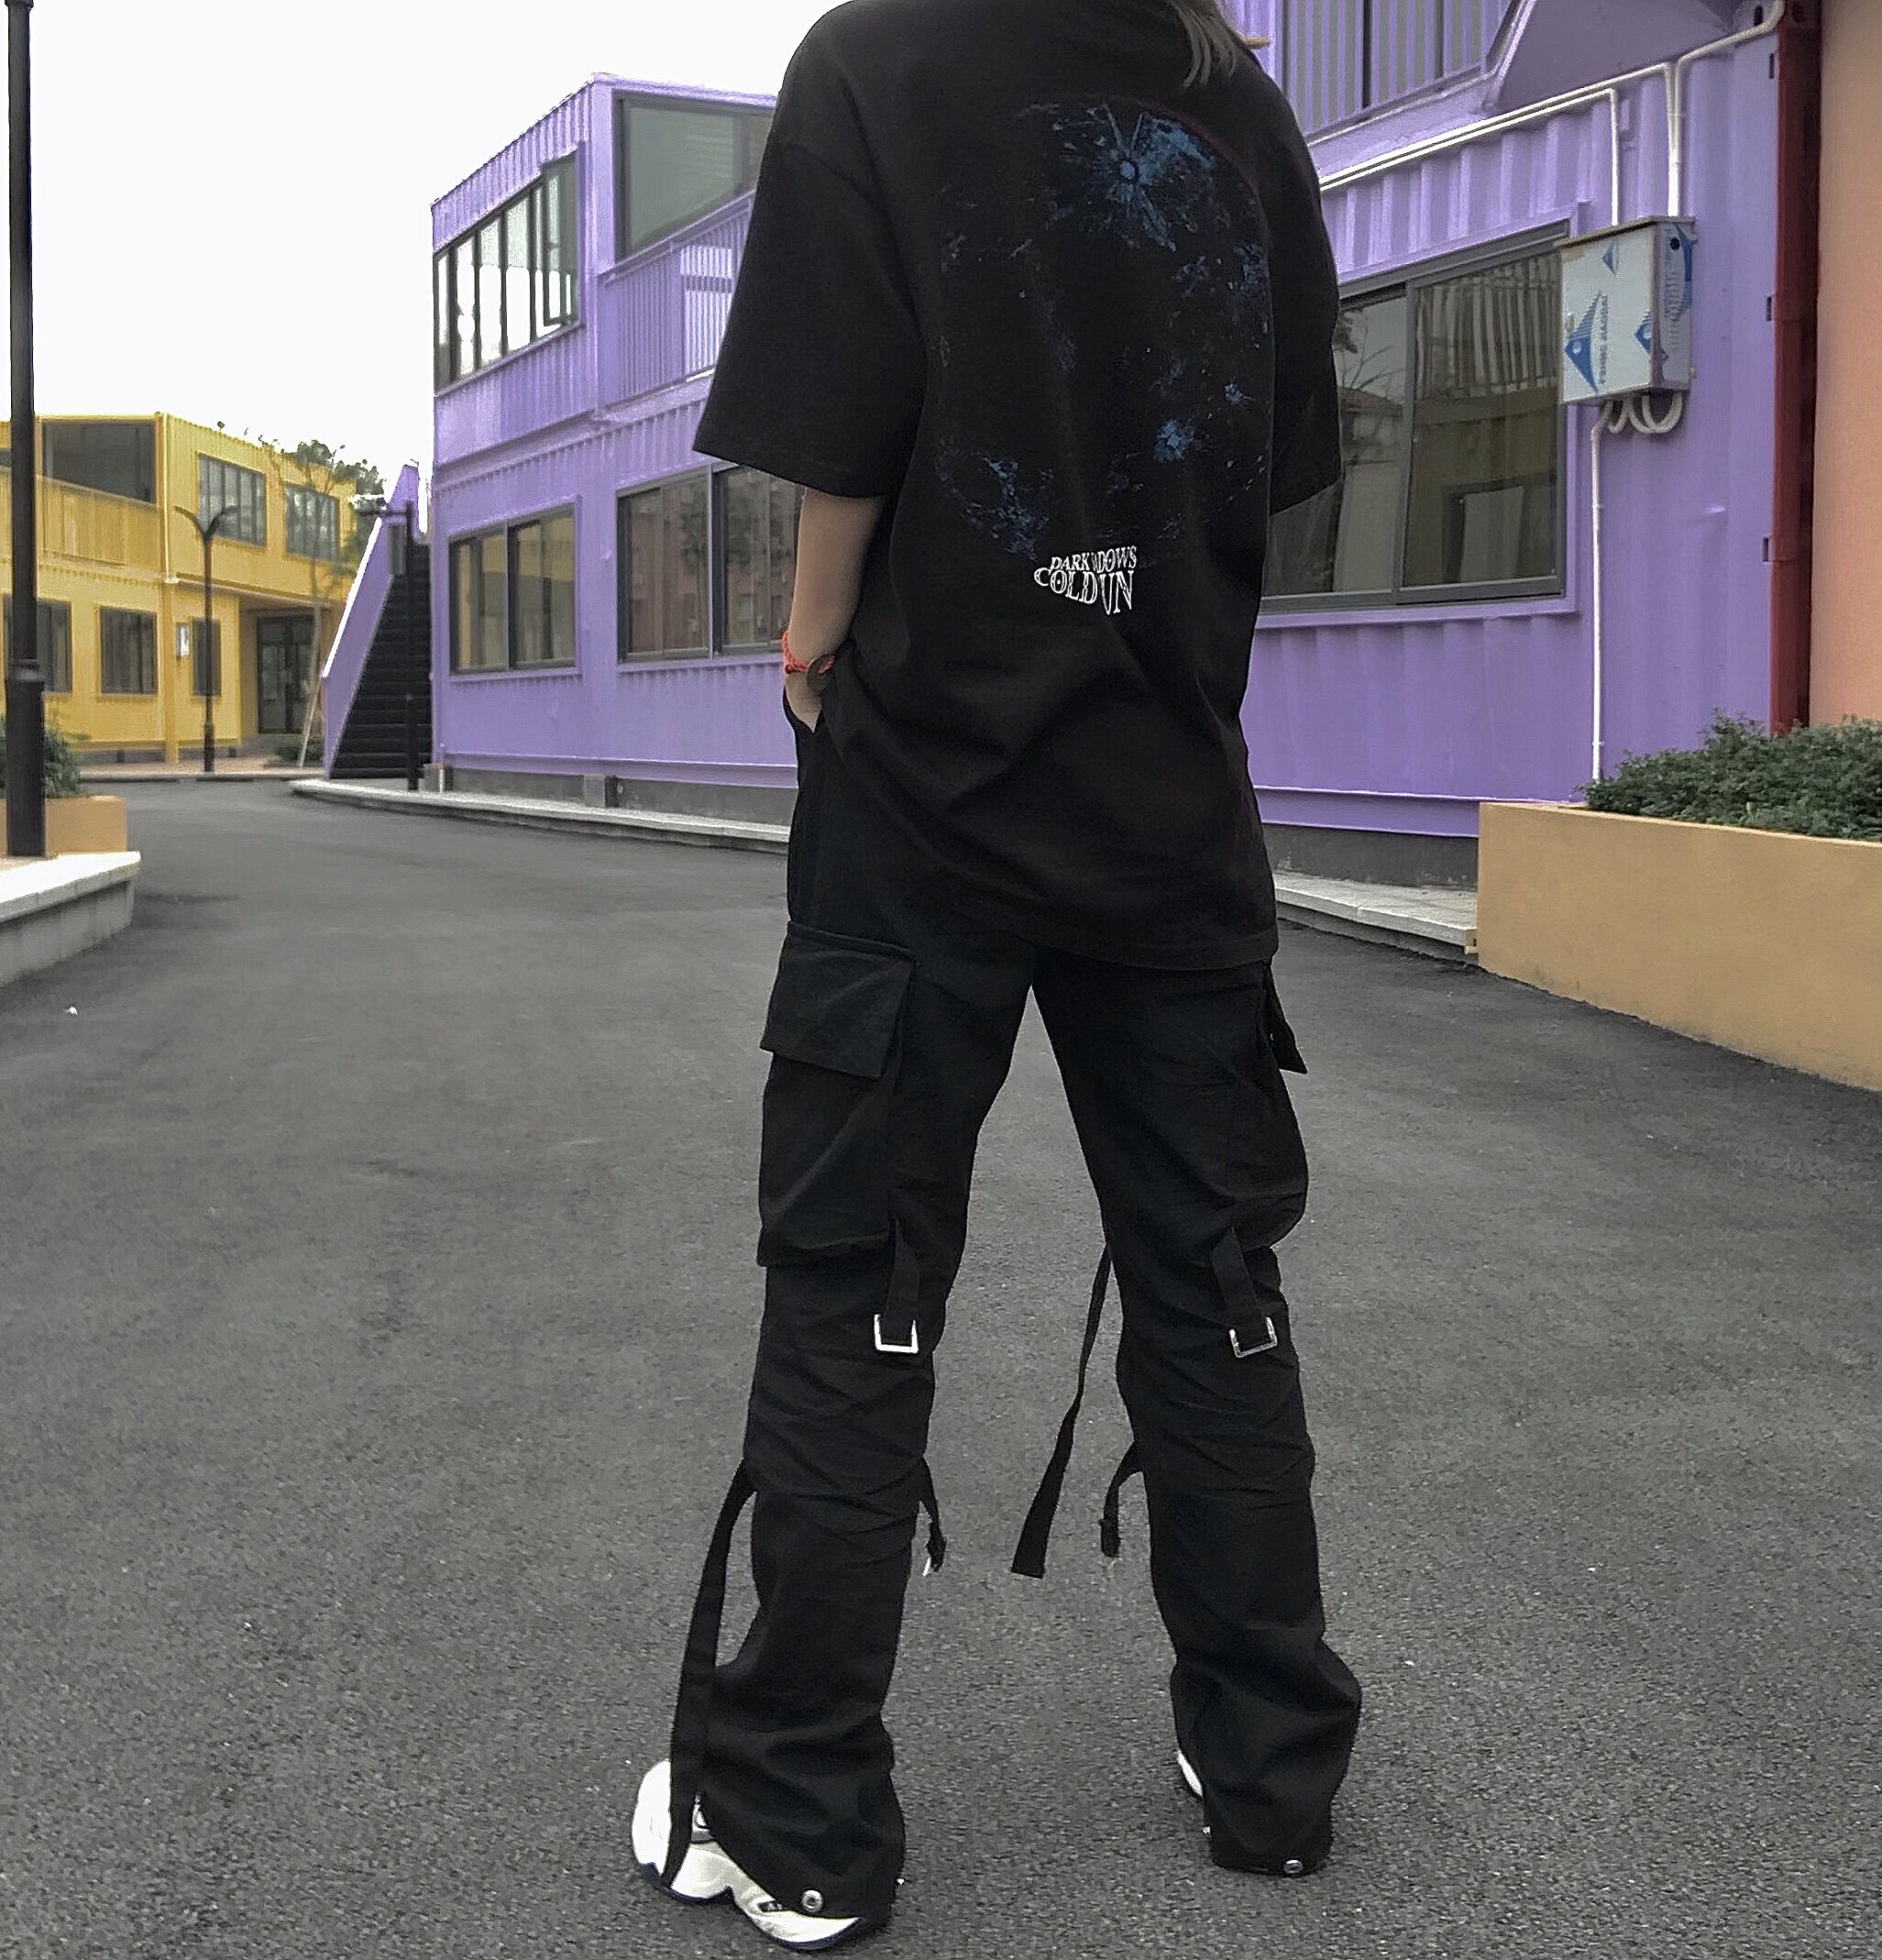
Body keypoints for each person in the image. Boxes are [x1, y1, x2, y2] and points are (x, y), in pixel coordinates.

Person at [630, 0, 1362, 1945]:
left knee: (857, 1277)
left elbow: (841, 421)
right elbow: (1276, 456)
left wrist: (811, 642)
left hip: (924, 797)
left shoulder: (881, 63)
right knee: (1213, 1275)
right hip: (1166, 797)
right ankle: (1273, 1770)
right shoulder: (1237, 100)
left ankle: (795, 1814)